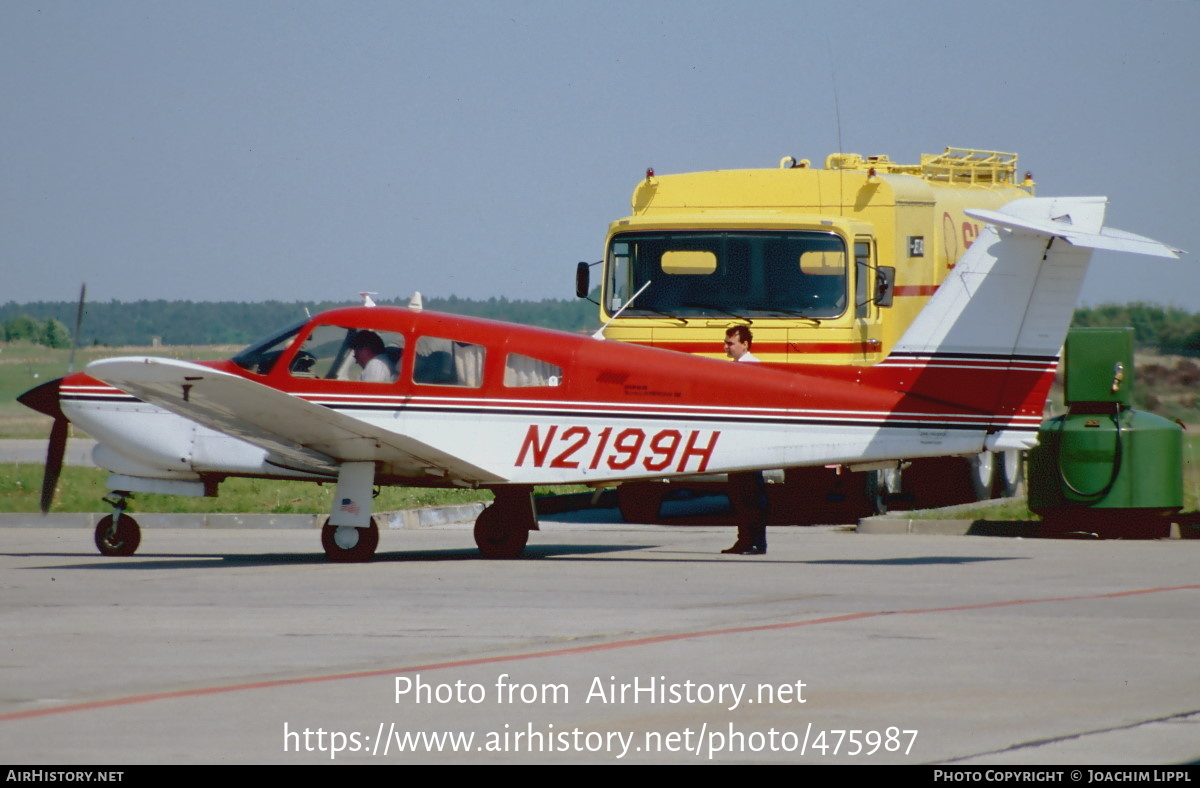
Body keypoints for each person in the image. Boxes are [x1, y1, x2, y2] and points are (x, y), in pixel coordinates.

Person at [721, 325, 767, 554]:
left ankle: (755, 541)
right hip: (739, 440)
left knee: (749, 493)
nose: (725, 347)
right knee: (740, 493)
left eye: (730, 343)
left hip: (749, 442)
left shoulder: (752, 368)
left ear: (745, 344)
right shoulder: (736, 367)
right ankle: (745, 539)